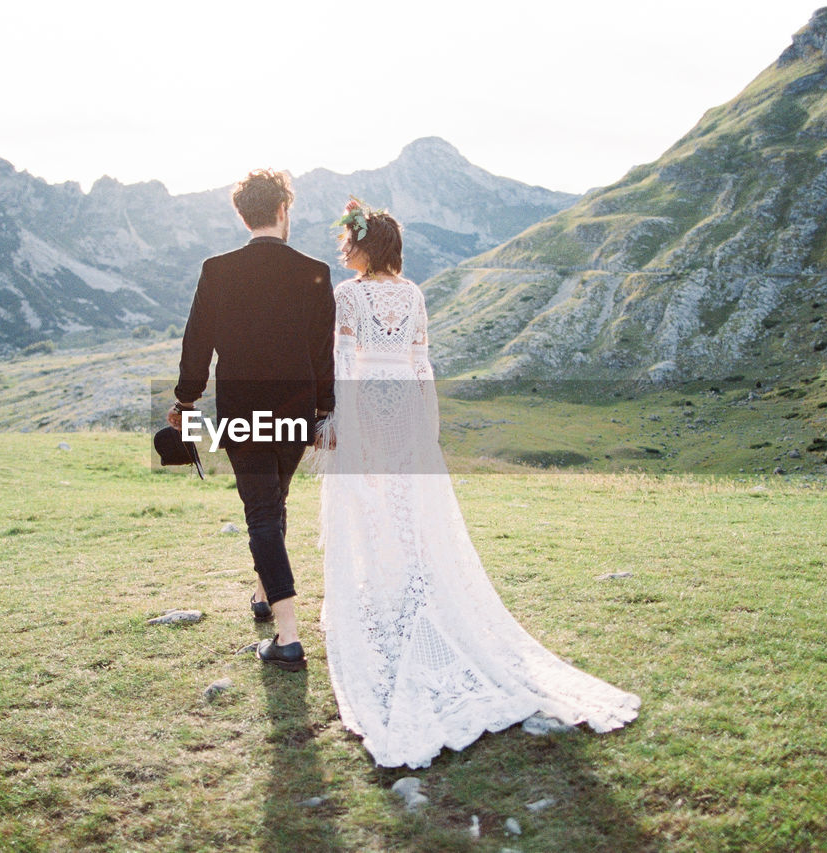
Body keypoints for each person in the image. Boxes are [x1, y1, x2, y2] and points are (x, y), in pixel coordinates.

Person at [315, 199, 640, 768]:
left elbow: (343, 360)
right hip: (408, 414)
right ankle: (420, 596)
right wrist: (427, 424)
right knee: (411, 511)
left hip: (367, 407)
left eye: (350, 242)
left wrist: (338, 421)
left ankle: (392, 608)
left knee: (371, 511)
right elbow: (421, 362)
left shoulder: (347, 296)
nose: (345, 249)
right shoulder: (414, 294)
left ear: (365, 245)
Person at [169, 169, 335, 672]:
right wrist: (325, 410)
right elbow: (322, 353)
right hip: (298, 411)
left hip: (242, 411)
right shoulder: (316, 270)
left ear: (242, 214)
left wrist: (185, 401)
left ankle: (287, 639)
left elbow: (197, 342)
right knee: (273, 501)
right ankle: (264, 594)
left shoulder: (216, 270)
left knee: (262, 510)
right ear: (284, 210)